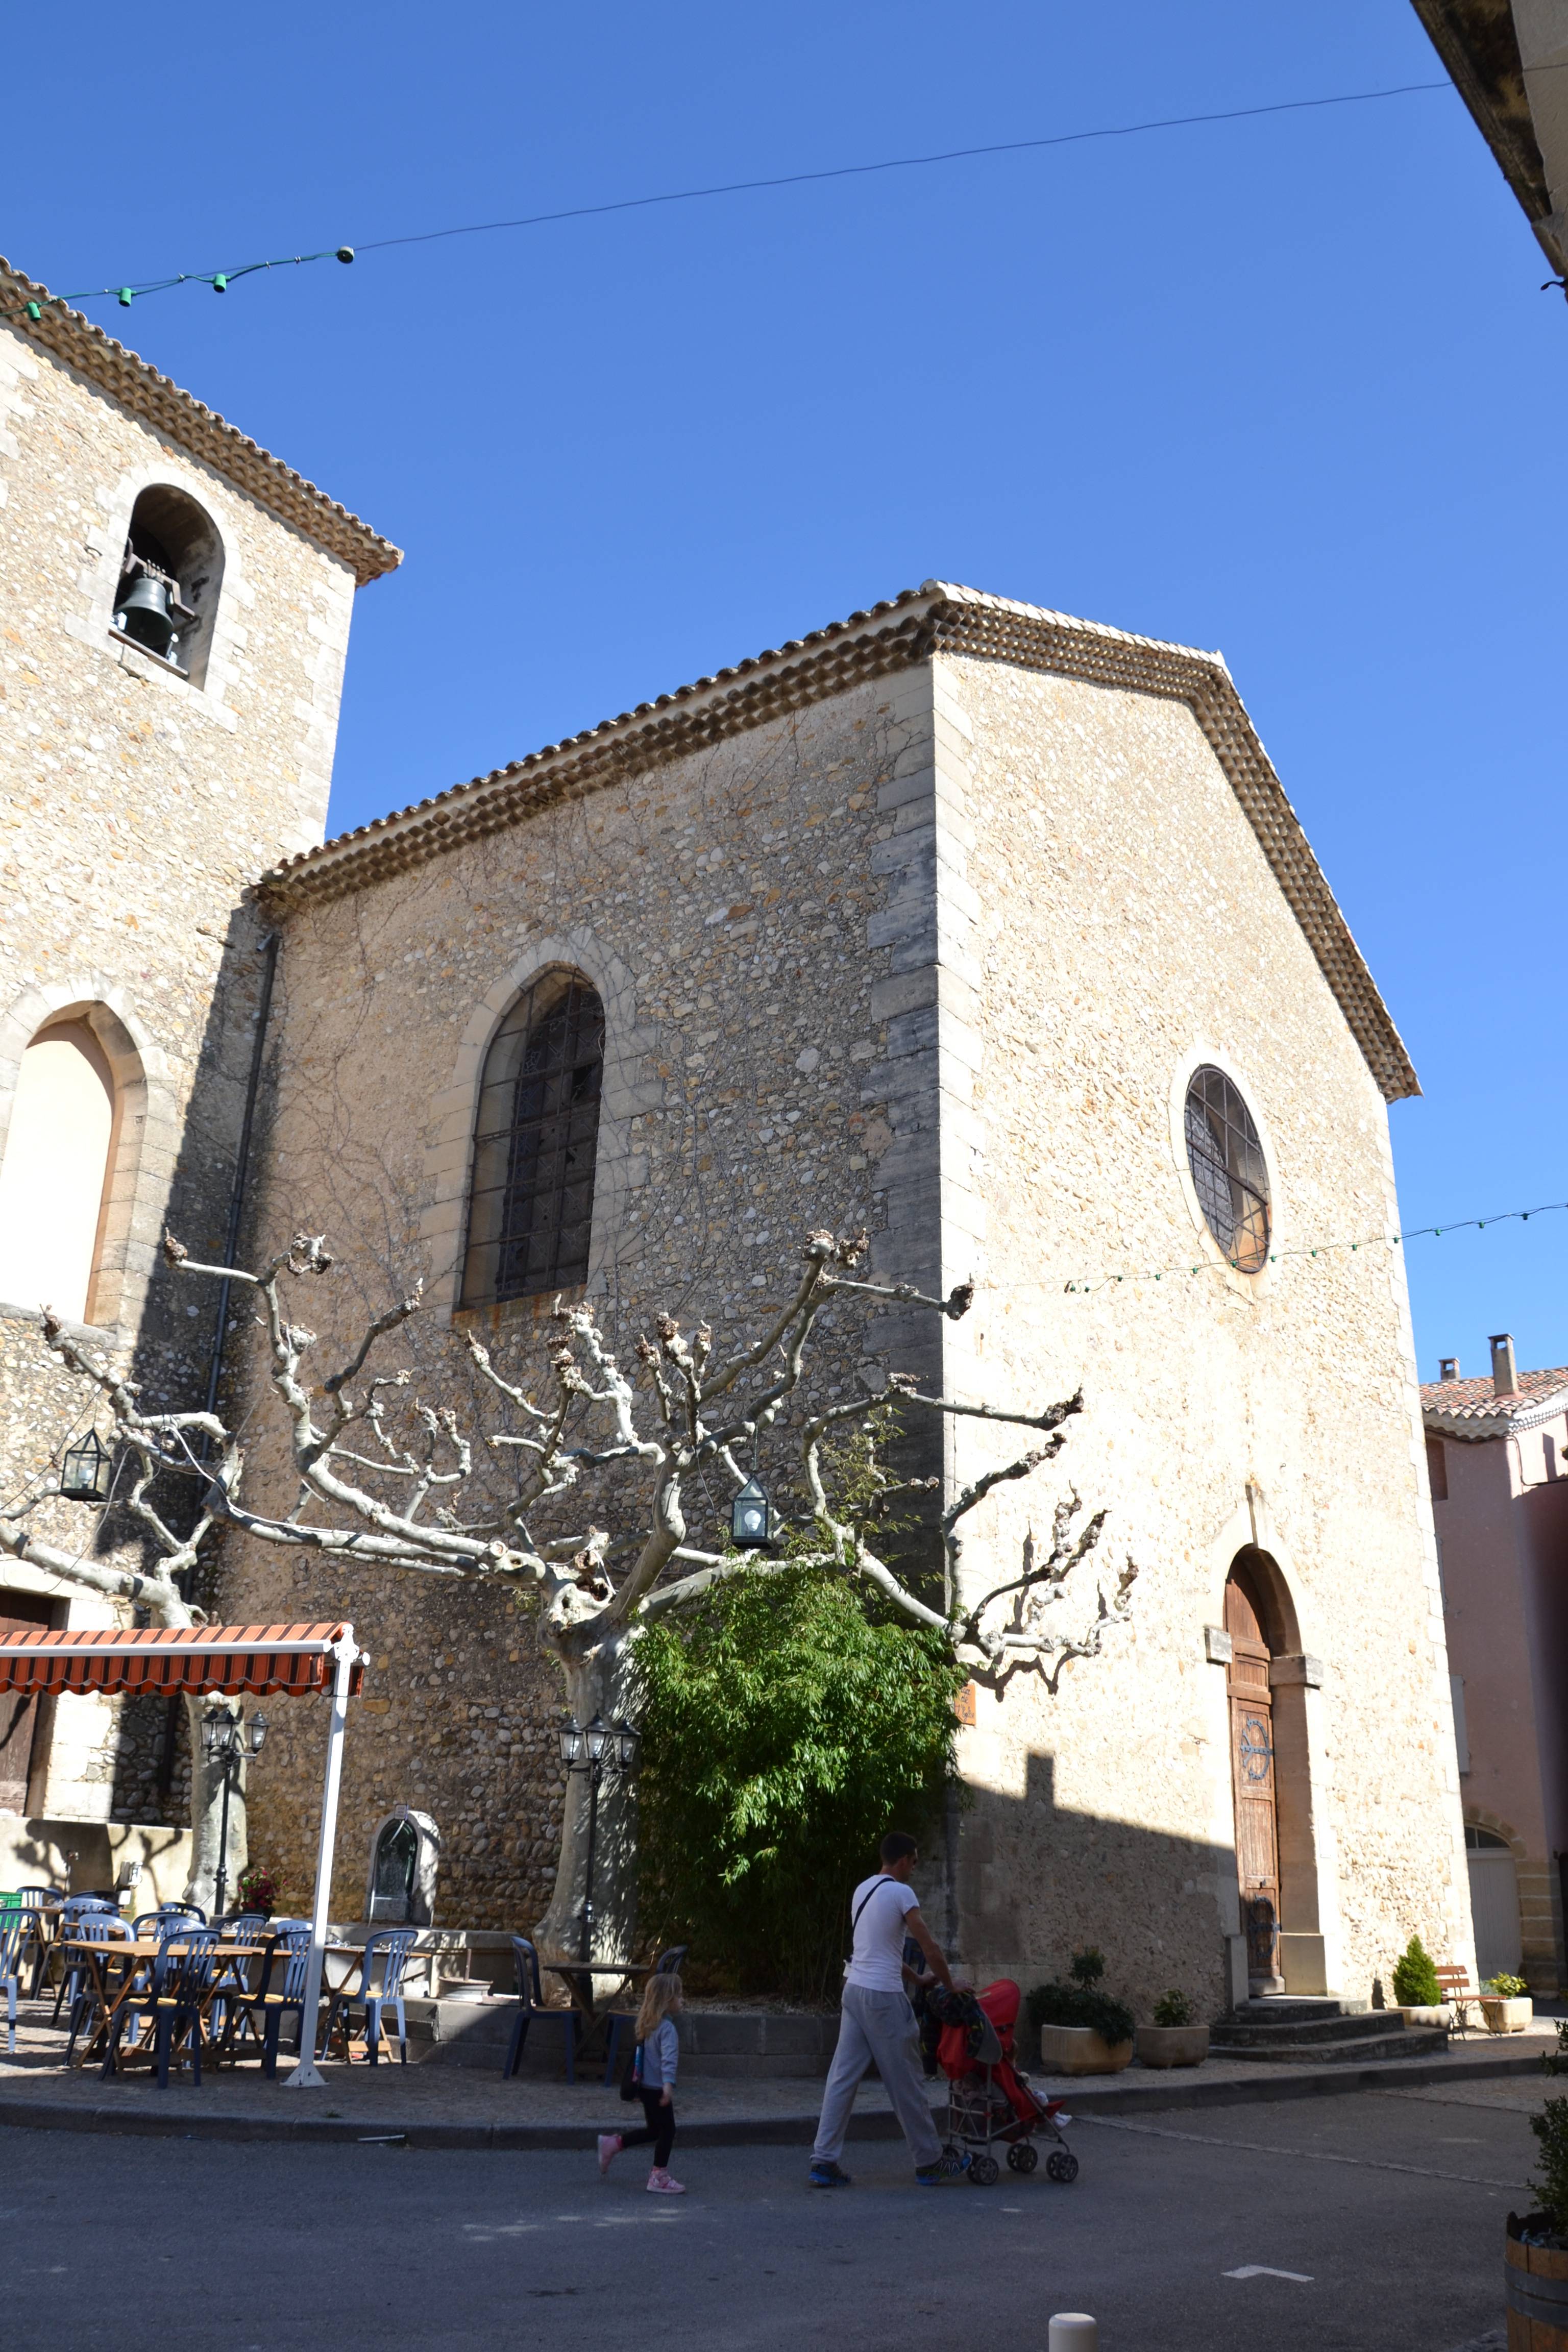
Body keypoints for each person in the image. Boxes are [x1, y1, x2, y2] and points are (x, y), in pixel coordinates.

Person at [810, 1830, 969, 2189]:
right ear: (902, 1861)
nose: (914, 1868)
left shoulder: (862, 1890)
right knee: (908, 2081)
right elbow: (929, 1945)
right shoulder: (902, 1893)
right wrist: (948, 1983)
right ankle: (930, 2162)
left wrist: (919, 1979)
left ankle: (823, 2160)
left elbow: (879, 1950)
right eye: (913, 1862)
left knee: (842, 2079)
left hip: (854, 1990)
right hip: (883, 1998)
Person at [597, 1971, 685, 2194]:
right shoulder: (668, 2029)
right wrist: (668, 2085)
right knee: (668, 2130)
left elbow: (642, 2059)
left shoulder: (649, 2025)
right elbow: (668, 2059)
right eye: (679, 1996)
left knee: (655, 2129)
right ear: (667, 2001)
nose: (682, 2000)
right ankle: (659, 2176)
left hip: (646, 2088)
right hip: (657, 2089)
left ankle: (613, 2144)